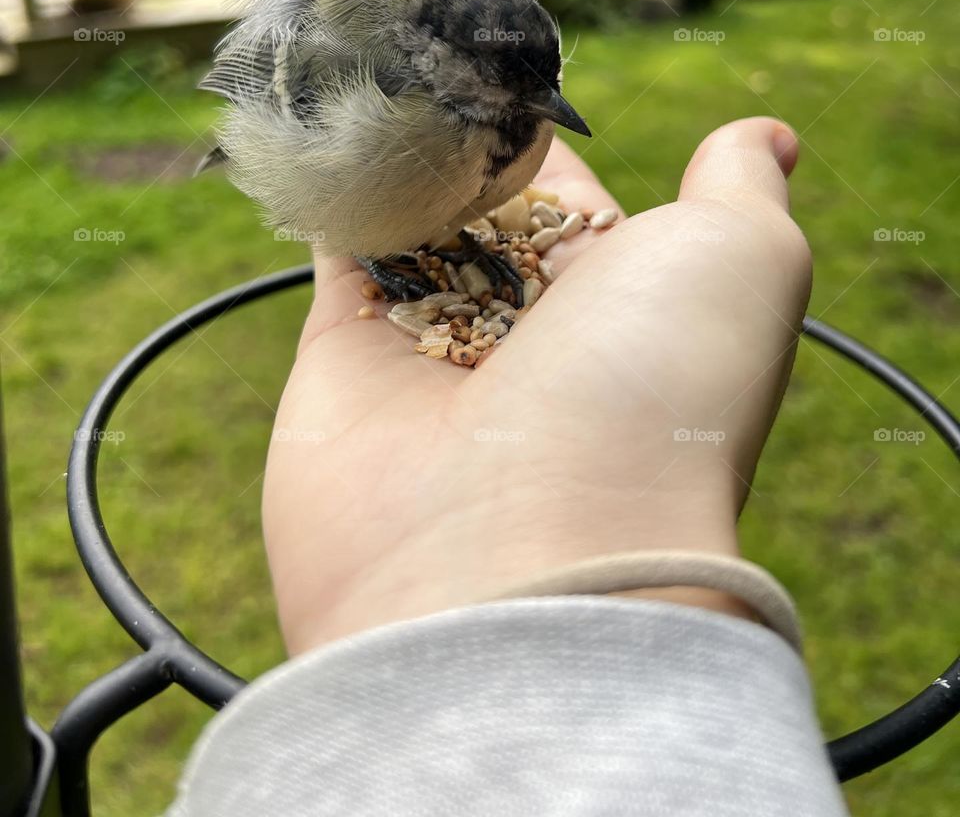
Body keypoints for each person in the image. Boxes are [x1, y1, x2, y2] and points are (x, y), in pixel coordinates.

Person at [167, 117, 849, 816]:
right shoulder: (387, 105)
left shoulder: (517, 126)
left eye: (548, 84)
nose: (547, 108)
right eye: (515, 88)